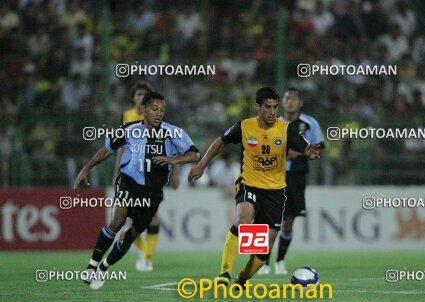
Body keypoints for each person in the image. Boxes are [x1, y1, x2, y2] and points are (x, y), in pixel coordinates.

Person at [188, 87, 320, 287]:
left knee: (262, 251)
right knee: (242, 221)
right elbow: (220, 142)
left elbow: (304, 147)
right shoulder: (245, 126)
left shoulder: (286, 129)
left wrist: (309, 153)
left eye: (275, 107)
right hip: (249, 183)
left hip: (276, 192)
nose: (272, 112)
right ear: (258, 107)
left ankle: (241, 280)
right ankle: (224, 273)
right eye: (268, 107)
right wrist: (201, 165)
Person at [74, 91, 199, 290]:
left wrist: (174, 160)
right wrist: (87, 167)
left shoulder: (173, 133)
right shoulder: (129, 129)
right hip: (129, 183)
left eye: (162, 110)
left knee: (129, 236)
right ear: (143, 109)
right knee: (117, 220)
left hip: (152, 193)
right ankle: (92, 264)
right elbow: (108, 148)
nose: (159, 113)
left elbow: (195, 154)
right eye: (154, 109)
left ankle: (104, 268)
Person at [113, 81, 180, 272]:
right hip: (130, 174)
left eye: (144, 94)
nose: (140, 97)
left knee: (152, 217)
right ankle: (142, 252)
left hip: (151, 174)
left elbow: (172, 143)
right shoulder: (126, 116)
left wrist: (175, 171)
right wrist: (116, 171)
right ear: (134, 98)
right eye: (138, 94)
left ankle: (146, 257)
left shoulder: (158, 119)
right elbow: (120, 145)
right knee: (126, 219)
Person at [259, 88, 325, 275]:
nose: (290, 102)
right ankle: (262, 262)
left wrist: (291, 152)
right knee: (267, 220)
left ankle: (280, 261)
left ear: (300, 102)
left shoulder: (309, 123)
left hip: (295, 176)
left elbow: (318, 148)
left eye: (293, 99)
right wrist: (299, 151)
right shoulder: (273, 122)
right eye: (287, 98)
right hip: (270, 174)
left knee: (288, 221)